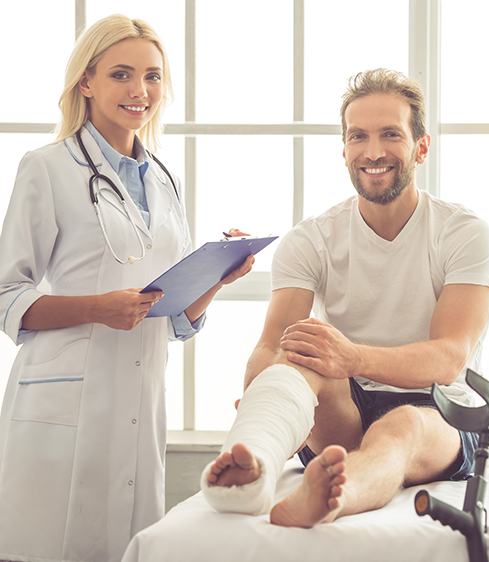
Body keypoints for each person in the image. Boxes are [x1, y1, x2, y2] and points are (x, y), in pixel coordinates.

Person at [0, 14, 253, 562]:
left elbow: (174, 316)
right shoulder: (46, 168)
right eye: (121, 74)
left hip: (141, 398)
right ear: (86, 82)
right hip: (63, 402)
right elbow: (6, 294)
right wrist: (98, 309)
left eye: (153, 76)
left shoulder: (164, 179)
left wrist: (218, 277)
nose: (140, 91)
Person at [200, 68, 489, 527]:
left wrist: (352, 357)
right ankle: (252, 465)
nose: (373, 151)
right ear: (344, 150)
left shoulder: (464, 233)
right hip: (345, 409)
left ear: (421, 146)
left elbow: (448, 359)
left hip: (439, 409)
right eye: (358, 136)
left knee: (402, 425)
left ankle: (332, 497)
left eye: (390, 135)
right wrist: (264, 387)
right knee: (301, 350)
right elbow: (271, 343)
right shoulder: (312, 238)